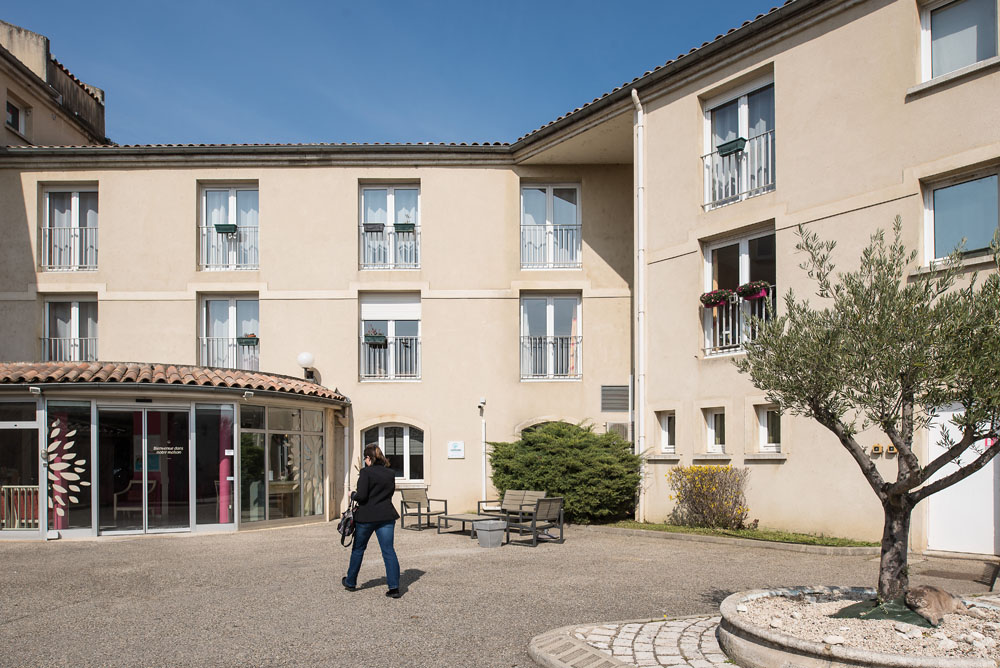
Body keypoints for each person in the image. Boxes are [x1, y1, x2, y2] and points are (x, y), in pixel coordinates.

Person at [343, 444, 402, 598]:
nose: (364, 461)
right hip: (386, 516)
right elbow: (389, 493)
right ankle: (394, 587)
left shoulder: (366, 472)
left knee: (358, 549)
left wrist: (352, 494)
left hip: (367, 517)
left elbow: (362, 496)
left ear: (368, 458)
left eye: (365, 458)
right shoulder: (390, 473)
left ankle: (350, 582)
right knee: (388, 551)